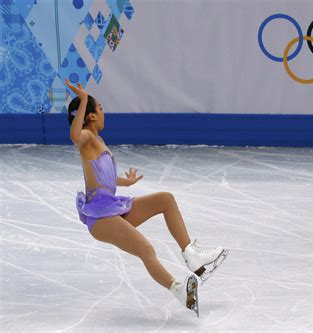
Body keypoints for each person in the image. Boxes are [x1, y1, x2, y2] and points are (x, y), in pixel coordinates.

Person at [65, 78, 228, 317]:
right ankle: (180, 291)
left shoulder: (98, 141)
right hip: (99, 216)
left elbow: (101, 177)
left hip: (112, 207)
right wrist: (85, 100)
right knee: (146, 249)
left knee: (166, 199)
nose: (103, 113)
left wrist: (125, 182)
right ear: (90, 116)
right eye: (99, 109)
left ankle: (191, 254)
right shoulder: (88, 137)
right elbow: (74, 135)